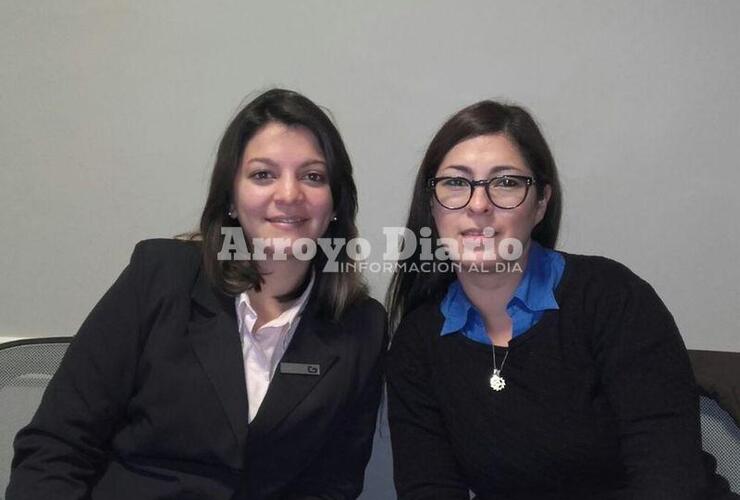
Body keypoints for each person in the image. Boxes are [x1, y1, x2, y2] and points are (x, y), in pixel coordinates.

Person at [7, 89, 387, 500]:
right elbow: (56, 448)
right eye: (263, 174)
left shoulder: (360, 325)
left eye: (313, 176)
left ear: (335, 203)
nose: (289, 194)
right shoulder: (162, 275)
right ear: (230, 197)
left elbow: (332, 486)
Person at [385, 100, 733, 499]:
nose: (478, 205)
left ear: (541, 204)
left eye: (506, 182)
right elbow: (429, 488)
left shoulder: (612, 298)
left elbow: (669, 479)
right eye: (456, 183)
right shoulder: (418, 341)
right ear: (432, 206)